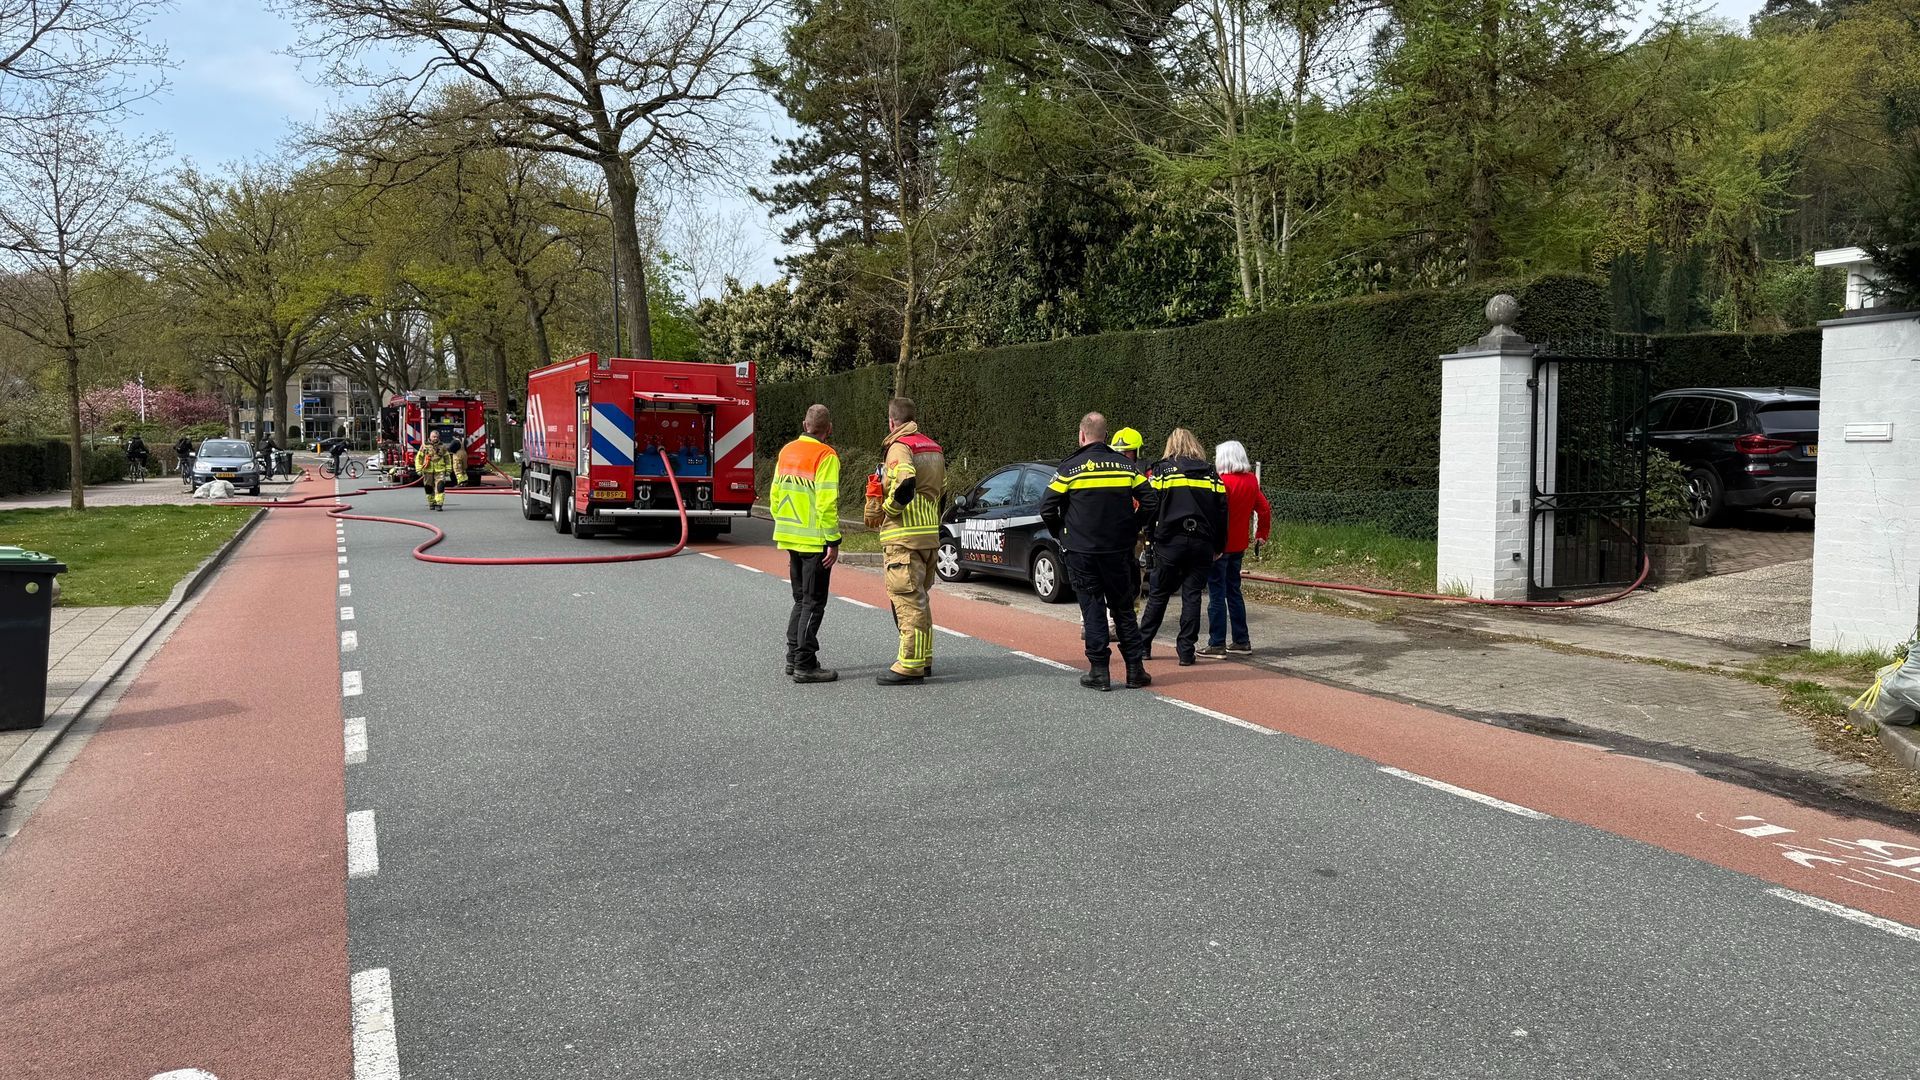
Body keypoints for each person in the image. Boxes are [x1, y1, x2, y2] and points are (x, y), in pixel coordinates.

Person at [1040, 412, 1158, 691]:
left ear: (1081, 435)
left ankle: (1099, 672)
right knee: (1123, 609)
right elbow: (1151, 501)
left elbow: (1046, 508)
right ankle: (1135, 670)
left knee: (1092, 608)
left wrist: (1062, 533)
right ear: (1106, 437)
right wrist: (1133, 527)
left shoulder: (1069, 468)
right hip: (1118, 550)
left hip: (1081, 552)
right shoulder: (1125, 466)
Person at [867, 397, 945, 685]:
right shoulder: (933, 448)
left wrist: (888, 510)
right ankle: (923, 659)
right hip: (928, 536)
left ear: (891, 421)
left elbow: (906, 483)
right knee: (920, 599)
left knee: (907, 601)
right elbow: (942, 491)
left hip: (904, 537)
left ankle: (909, 665)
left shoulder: (899, 447)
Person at [1136, 427, 1227, 667]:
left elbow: (1150, 505)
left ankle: (1143, 645)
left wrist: (1149, 536)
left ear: (1170, 446)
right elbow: (1221, 512)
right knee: (1192, 596)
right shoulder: (1211, 474)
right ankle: (1186, 651)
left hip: (1169, 542)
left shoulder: (1162, 471)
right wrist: (1219, 545)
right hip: (1202, 543)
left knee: (1158, 595)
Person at [771, 404, 843, 684]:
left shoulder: (787, 451)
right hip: (814, 540)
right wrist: (833, 540)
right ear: (829, 429)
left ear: (805, 425)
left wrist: (784, 524)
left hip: (790, 536)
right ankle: (804, 664)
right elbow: (826, 503)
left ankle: (793, 657)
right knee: (813, 603)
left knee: (801, 600)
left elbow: (775, 495)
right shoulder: (826, 455)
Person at [1201, 439, 1272, 657]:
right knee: (1234, 591)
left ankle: (1217, 643)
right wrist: (1261, 534)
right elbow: (1264, 509)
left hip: (1219, 546)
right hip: (1239, 545)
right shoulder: (1251, 480)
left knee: (1216, 594)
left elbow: (1212, 514)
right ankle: (1241, 640)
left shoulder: (1220, 481)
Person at [415, 431, 454, 511]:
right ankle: (431, 502)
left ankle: (439, 503)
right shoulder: (425, 446)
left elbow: (447, 458)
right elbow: (419, 458)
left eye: (437, 437)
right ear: (430, 437)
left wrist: (448, 469)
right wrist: (418, 469)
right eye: (434, 437)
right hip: (427, 470)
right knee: (428, 487)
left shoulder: (442, 446)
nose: (435, 438)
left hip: (440, 470)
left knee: (440, 486)